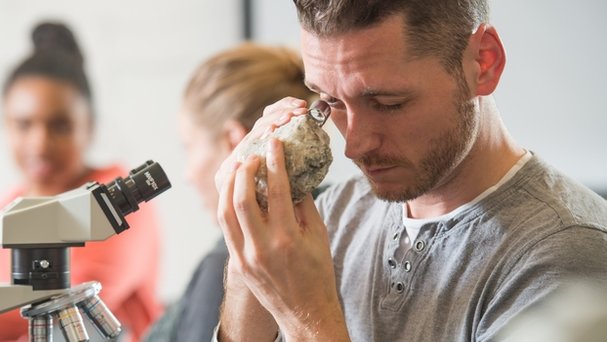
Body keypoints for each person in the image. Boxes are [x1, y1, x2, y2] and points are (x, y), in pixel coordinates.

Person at [213, 1, 607, 341]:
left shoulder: (567, 258)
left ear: (483, 63)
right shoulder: (339, 210)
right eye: (331, 101)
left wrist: (307, 317)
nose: (354, 145)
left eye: (387, 102)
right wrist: (247, 261)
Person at [0, 22, 163, 342]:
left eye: (59, 126)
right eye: (23, 124)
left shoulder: (115, 204)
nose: (39, 144)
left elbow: (57, 305)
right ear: (4, 126)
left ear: (88, 127)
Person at [143, 43, 315, 342]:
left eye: (189, 146)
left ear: (235, 142)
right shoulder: (325, 226)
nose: (187, 175)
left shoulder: (227, 265)